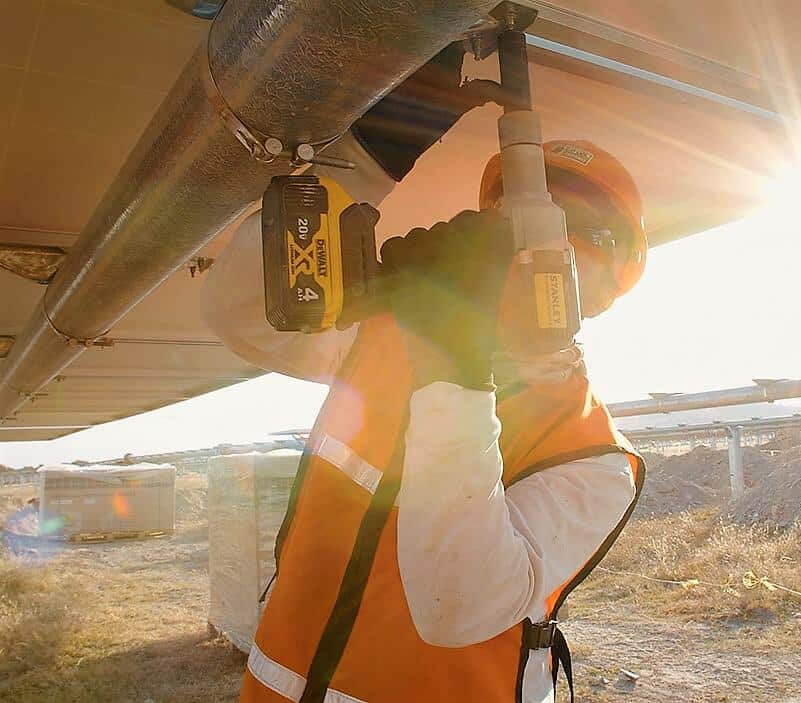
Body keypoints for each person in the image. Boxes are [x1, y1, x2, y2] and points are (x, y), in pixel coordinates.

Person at [202, 49, 648, 702]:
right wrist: (375, 151)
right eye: (520, 213)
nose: (539, 241)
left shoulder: (593, 458)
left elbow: (456, 605)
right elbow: (234, 306)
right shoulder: (389, 335)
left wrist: (454, 360)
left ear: (612, 286)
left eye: (585, 231)